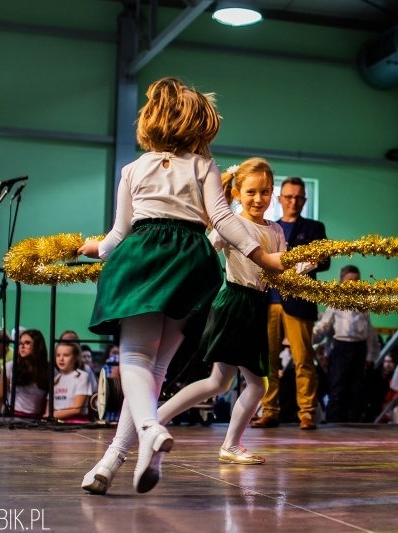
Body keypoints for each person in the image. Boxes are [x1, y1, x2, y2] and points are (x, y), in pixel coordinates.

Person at [77, 77, 283, 495]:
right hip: (189, 262)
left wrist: (89, 247)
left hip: (146, 255)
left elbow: (117, 235)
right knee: (155, 370)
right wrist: (264, 257)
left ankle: (151, 429)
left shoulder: (133, 169)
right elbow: (223, 219)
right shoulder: (202, 165)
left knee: (133, 357)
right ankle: (113, 460)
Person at [252, 176, 330, 431]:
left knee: (304, 360)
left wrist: (301, 267)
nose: (293, 201)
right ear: (280, 199)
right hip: (268, 302)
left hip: (300, 302)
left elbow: (325, 261)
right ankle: (269, 411)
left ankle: (307, 412)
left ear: (304, 200)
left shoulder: (315, 228)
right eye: (289, 196)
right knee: (268, 361)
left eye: (298, 197)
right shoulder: (268, 226)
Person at [312, 265, 380, 423]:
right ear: (341, 282)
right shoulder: (335, 302)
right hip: (341, 346)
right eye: (350, 281)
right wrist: (310, 337)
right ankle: (333, 423)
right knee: (337, 387)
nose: (354, 284)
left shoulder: (364, 304)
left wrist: (371, 354)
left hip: (359, 347)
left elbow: (369, 331)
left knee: (356, 389)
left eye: (357, 280)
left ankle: (353, 423)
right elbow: (324, 325)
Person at [0, 329, 49, 418]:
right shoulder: (10, 367)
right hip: (14, 416)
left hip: (39, 419)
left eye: (27, 343)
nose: (22, 346)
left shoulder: (49, 369)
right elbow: (0, 397)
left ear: (38, 346)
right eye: (20, 343)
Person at [52, 341, 92, 422]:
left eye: (66, 355)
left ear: (75, 358)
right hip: (56, 422)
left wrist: (51, 415)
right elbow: (48, 409)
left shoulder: (82, 377)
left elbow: (76, 409)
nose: (61, 359)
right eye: (58, 355)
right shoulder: (55, 379)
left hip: (76, 423)